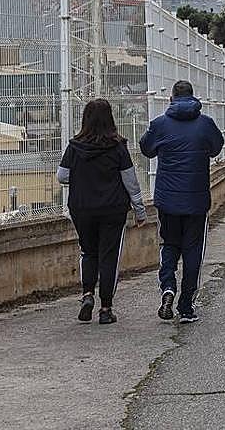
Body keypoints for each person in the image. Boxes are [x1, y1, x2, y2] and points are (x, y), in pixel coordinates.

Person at [57, 98, 147, 325]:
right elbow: (130, 181)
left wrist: (83, 177)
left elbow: (62, 176)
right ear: (110, 119)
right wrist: (140, 210)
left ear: (85, 119)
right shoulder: (118, 146)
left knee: (88, 252)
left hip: (82, 208)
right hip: (113, 209)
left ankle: (87, 294)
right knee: (109, 257)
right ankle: (106, 309)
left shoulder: (74, 146)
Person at [140, 80, 224, 323]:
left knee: (169, 245)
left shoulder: (159, 124)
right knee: (193, 251)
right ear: (193, 97)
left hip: (167, 200)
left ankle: (168, 287)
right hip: (197, 201)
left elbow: (146, 149)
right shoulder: (206, 124)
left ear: (171, 98)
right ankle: (186, 306)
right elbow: (216, 148)